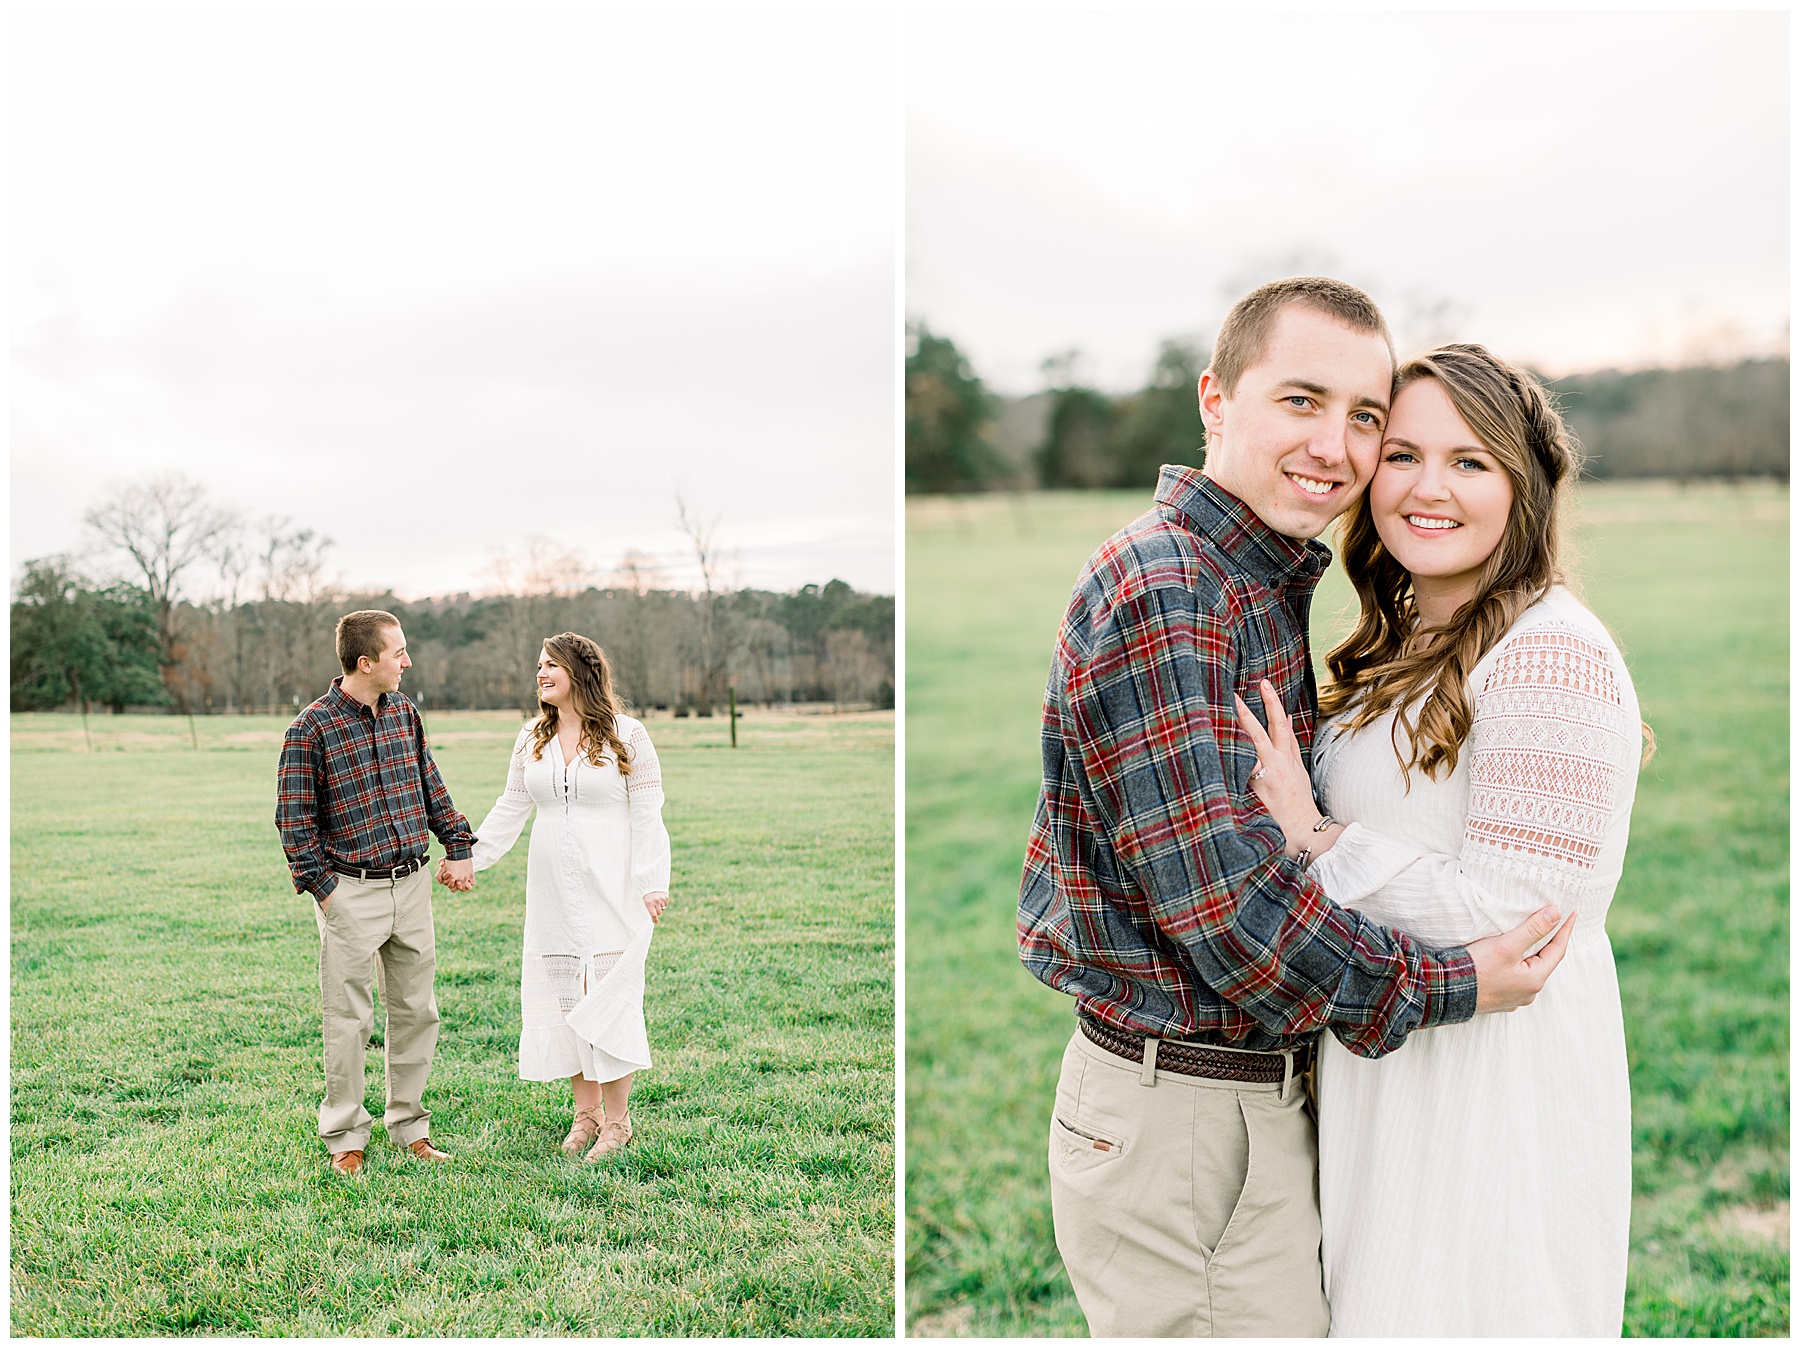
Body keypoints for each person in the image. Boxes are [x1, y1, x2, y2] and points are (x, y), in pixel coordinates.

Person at [1017, 277, 1575, 1337]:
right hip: (1190, 1114)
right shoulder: (1170, 590)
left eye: (1366, 417)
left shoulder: (1254, 580)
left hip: (1232, 1101)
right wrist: (1456, 981)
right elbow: (1236, 921)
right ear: (1216, 399)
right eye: (1301, 400)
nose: (1337, 443)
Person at [1233, 344, 1639, 1335]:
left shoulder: (1552, 649)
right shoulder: (1408, 633)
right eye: (1403, 454)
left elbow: (1522, 918)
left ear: (1524, 486)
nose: (1427, 488)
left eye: (1469, 462)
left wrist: (1318, 839)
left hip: (1494, 1085)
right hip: (1394, 1057)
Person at [276, 609, 476, 1177]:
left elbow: (430, 784)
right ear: (366, 663)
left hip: (412, 884)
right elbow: (294, 822)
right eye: (399, 653)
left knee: (416, 1012)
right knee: (349, 1019)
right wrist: (326, 891)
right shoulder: (310, 729)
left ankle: (409, 1126)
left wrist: (457, 844)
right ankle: (345, 1136)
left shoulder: (404, 713)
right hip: (350, 893)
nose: (408, 661)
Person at [462, 631, 672, 1160]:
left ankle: (619, 1123)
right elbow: (511, 805)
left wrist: (652, 881)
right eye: (538, 666)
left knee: (607, 995)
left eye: (551, 665)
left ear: (581, 672)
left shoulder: (628, 734)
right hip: (552, 887)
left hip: (612, 883)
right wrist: (469, 857)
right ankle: (586, 1116)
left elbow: (648, 811)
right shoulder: (532, 736)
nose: (541, 674)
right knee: (567, 998)